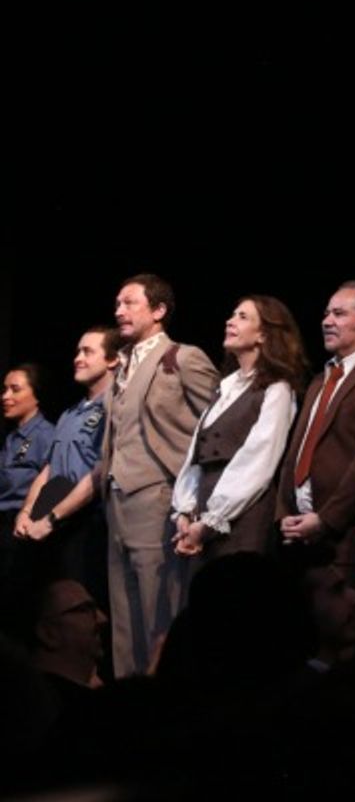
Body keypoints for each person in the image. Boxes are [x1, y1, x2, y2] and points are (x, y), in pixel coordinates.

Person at [92, 274, 220, 677]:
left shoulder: (183, 357)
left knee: (158, 609)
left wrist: (198, 498)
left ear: (159, 311)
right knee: (124, 615)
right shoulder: (122, 366)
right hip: (116, 500)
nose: (119, 312)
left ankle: (163, 700)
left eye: (129, 303)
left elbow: (218, 426)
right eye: (117, 304)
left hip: (158, 495)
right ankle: (128, 702)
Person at [170, 296, 305, 560]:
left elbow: (259, 459)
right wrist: (185, 510)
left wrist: (212, 519)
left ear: (263, 335)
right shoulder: (226, 387)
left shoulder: (276, 388)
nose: (230, 321)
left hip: (243, 515)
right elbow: (197, 457)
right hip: (204, 511)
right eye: (233, 315)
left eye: (243, 317)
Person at [276, 281, 355, 569]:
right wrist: (283, 513)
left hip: (344, 536)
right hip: (299, 533)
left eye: (339, 314)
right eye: (327, 313)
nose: (327, 321)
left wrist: (327, 520)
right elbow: (294, 452)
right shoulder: (320, 378)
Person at [13, 328, 121, 601]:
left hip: (86, 526)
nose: (78, 358)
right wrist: (26, 512)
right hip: (50, 525)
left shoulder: (116, 408)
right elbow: (47, 469)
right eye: (77, 351)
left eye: (88, 351)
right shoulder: (69, 413)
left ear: (112, 360)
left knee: (78, 609)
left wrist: (52, 519)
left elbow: (100, 471)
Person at [1, 365, 56, 586]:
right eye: (4, 389)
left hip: (19, 533)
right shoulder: (12, 438)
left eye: (15, 389)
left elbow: (51, 483)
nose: (5, 396)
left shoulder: (47, 435)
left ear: (36, 396)